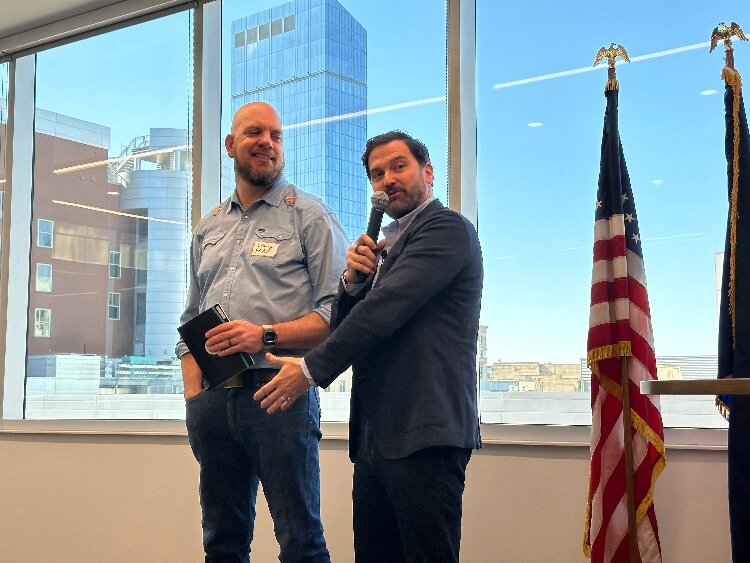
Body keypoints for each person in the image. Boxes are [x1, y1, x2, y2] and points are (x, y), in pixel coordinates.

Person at [255, 130, 483, 563]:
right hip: (377, 438)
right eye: (377, 174)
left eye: (399, 166)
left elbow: (384, 313)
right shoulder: (387, 247)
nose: (387, 180)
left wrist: (306, 372)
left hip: (426, 434)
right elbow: (347, 325)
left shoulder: (446, 229)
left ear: (428, 173)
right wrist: (352, 283)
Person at [176, 101, 348, 563]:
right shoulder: (208, 227)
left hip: (279, 397)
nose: (267, 143)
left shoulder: (311, 217)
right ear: (231, 145)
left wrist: (264, 335)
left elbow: (337, 315)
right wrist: (195, 396)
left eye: (275, 135)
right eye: (255, 133)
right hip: (214, 401)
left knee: (301, 541)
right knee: (222, 541)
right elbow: (189, 318)